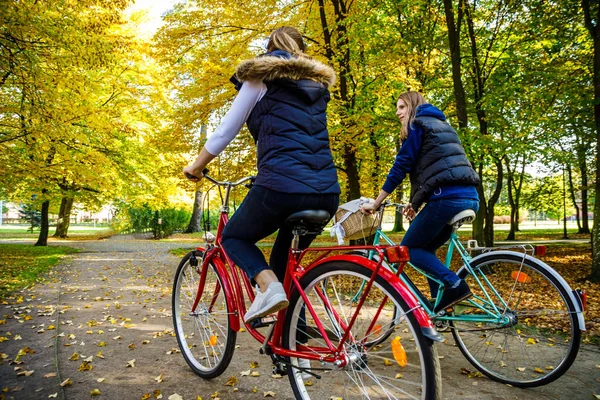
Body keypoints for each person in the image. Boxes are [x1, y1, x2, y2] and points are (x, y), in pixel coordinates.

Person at [183, 26, 340, 324]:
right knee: (284, 264)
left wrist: (196, 166)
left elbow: (225, 131)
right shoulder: (318, 87)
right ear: (301, 51)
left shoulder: (259, 77)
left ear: (269, 51)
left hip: (282, 186)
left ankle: (266, 288)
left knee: (234, 237)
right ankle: (297, 336)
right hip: (327, 192)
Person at [361, 91, 480, 313]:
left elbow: (401, 166)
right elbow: (440, 171)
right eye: (397, 108)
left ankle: (455, 285)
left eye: (402, 107)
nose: (398, 112)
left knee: (408, 249)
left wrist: (376, 203)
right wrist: (415, 203)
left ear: (413, 107)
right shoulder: (442, 126)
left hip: (447, 199)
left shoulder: (417, 124)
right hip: (469, 196)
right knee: (425, 249)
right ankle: (442, 305)